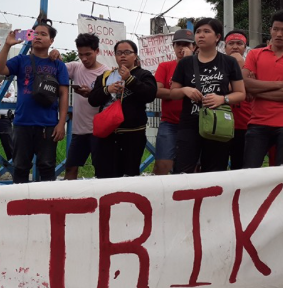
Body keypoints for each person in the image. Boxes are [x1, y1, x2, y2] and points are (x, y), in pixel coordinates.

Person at [0, 19, 69, 183]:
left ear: (51, 40)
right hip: (23, 123)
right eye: (35, 34)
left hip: (48, 125)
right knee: (20, 167)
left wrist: (61, 123)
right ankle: (20, 199)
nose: (38, 37)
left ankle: (47, 199)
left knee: (47, 167)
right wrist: (7, 45)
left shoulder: (58, 65)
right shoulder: (21, 60)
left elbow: (64, 94)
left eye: (43, 34)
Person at [169, 18, 245, 173]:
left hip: (217, 123)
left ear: (217, 37)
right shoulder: (185, 63)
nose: (201, 35)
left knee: (214, 172)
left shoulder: (229, 62)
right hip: (189, 124)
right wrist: (185, 90)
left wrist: (223, 99)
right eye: (198, 32)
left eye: (206, 31)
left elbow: (241, 93)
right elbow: (173, 93)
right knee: (183, 171)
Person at [241, 11, 283, 168]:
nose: (279, 34)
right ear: (270, 30)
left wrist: (257, 90)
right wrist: (280, 84)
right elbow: (244, 83)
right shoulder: (255, 54)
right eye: (276, 29)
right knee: (249, 170)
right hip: (258, 120)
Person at [88, 40, 157, 178]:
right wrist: (107, 89)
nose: (123, 56)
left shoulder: (143, 75)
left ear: (135, 55)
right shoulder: (106, 76)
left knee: (129, 175)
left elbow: (150, 94)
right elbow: (93, 100)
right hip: (106, 133)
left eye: (127, 52)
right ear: (115, 55)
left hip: (132, 134)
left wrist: (130, 80)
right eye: (119, 53)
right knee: (103, 174)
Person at [50, 33, 108, 180]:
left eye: (88, 54)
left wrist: (92, 94)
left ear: (97, 51)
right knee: (70, 167)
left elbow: (110, 99)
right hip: (79, 130)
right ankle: (69, 195)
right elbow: (56, 68)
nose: (84, 59)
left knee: (102, 171)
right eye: (81, 55)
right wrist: (55, 55)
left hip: (99, 131)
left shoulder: (106, 73)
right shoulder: (76, 67)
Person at [153, 29, 194, 175]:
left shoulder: (199, 66)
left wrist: (172, 92)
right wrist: (181, 92)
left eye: (186, 45)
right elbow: (156, 90)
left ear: (194, 47)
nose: (182, 48)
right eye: (178, 44)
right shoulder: (165, 66)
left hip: (193, 123)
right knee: (162, 165)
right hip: (169, 122)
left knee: (191, 167)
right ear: (173, 47)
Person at [224, 29, 251, 170]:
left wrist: (241, 66)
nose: (235, 47)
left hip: (244, 125)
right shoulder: (216, 66)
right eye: (231, 43)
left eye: (239, 43)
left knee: (240, 168)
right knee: (216, 167)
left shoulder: (252, 67)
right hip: (220, 124)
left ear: (245, 47)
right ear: (224, 47)